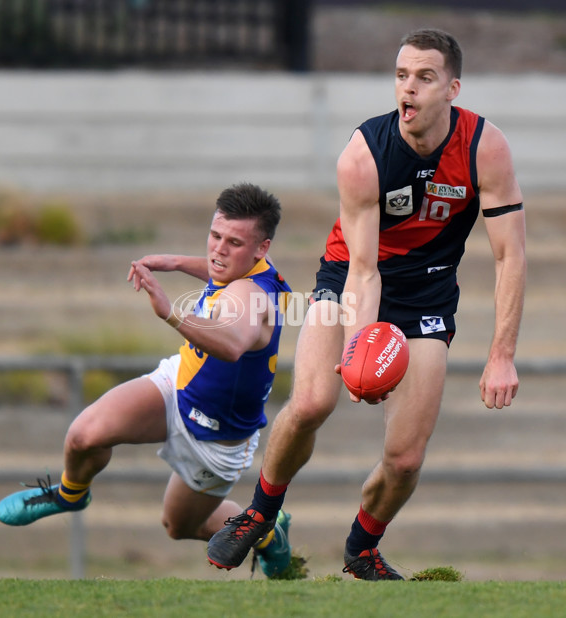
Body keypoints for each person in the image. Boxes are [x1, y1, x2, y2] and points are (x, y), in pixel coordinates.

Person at [207, 29, 526, 580]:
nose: (409, 88)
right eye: (402, 75)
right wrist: (364, 346)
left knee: (405, 459)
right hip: (350, 278)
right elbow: (363, 269)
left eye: (424, 77)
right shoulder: (364, 154)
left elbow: (511, 256)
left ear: (452, 87)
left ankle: (362, 548)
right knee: (311, 403)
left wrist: (502, 354)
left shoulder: (484, 147)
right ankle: (260, 510)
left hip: (427, 293)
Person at [0, 182, 295, 578]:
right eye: (215, 235)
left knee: (179, 526)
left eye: (234, 242)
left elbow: (234, 343)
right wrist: (175, 262)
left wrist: (171, 313)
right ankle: (70, 495)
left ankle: (266, 532)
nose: (219, 249)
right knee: (84, 435)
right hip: (178, 384)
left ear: (262, 248)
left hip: (216, 438)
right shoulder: (247, 266)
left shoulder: (253, 296)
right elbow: (220, 267)